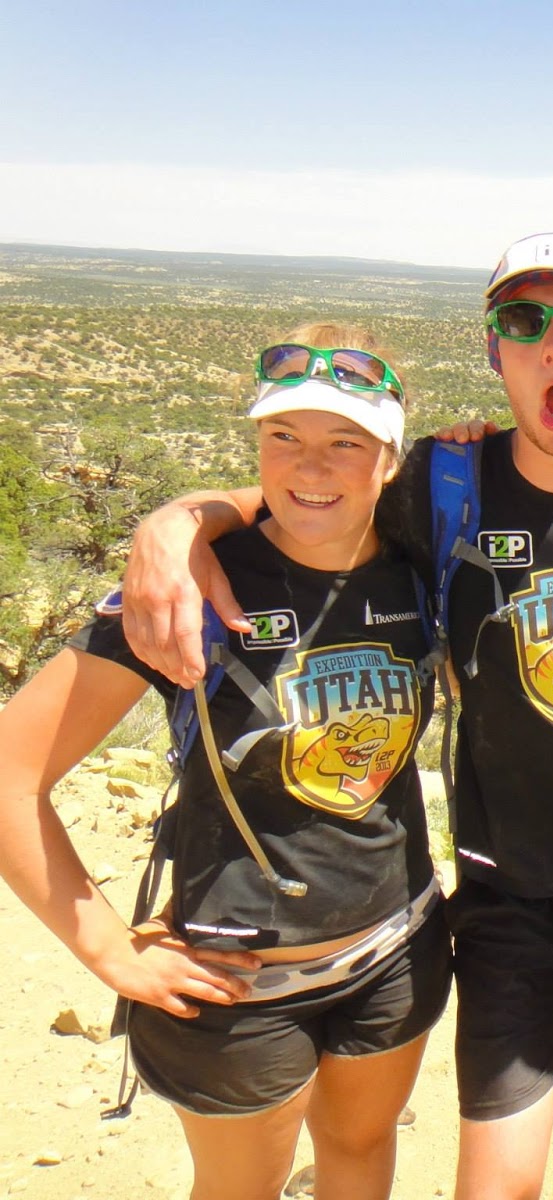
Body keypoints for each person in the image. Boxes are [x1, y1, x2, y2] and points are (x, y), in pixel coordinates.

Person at [114, 235, 553, 1200]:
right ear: (495, 352)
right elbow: (313, 492)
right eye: (524, 321)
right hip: (509, 881)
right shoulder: (444, 486)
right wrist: (180, 520)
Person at [0, 323, 448, 1200]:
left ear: (389, 459)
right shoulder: (190, 590)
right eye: (283, 435)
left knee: (360, 1153)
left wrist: (182, 513)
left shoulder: (419, 568)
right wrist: (108, 952)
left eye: (344, 442)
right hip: (237, 983)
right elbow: (12, 775)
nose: (309, 466)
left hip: (398, 945)